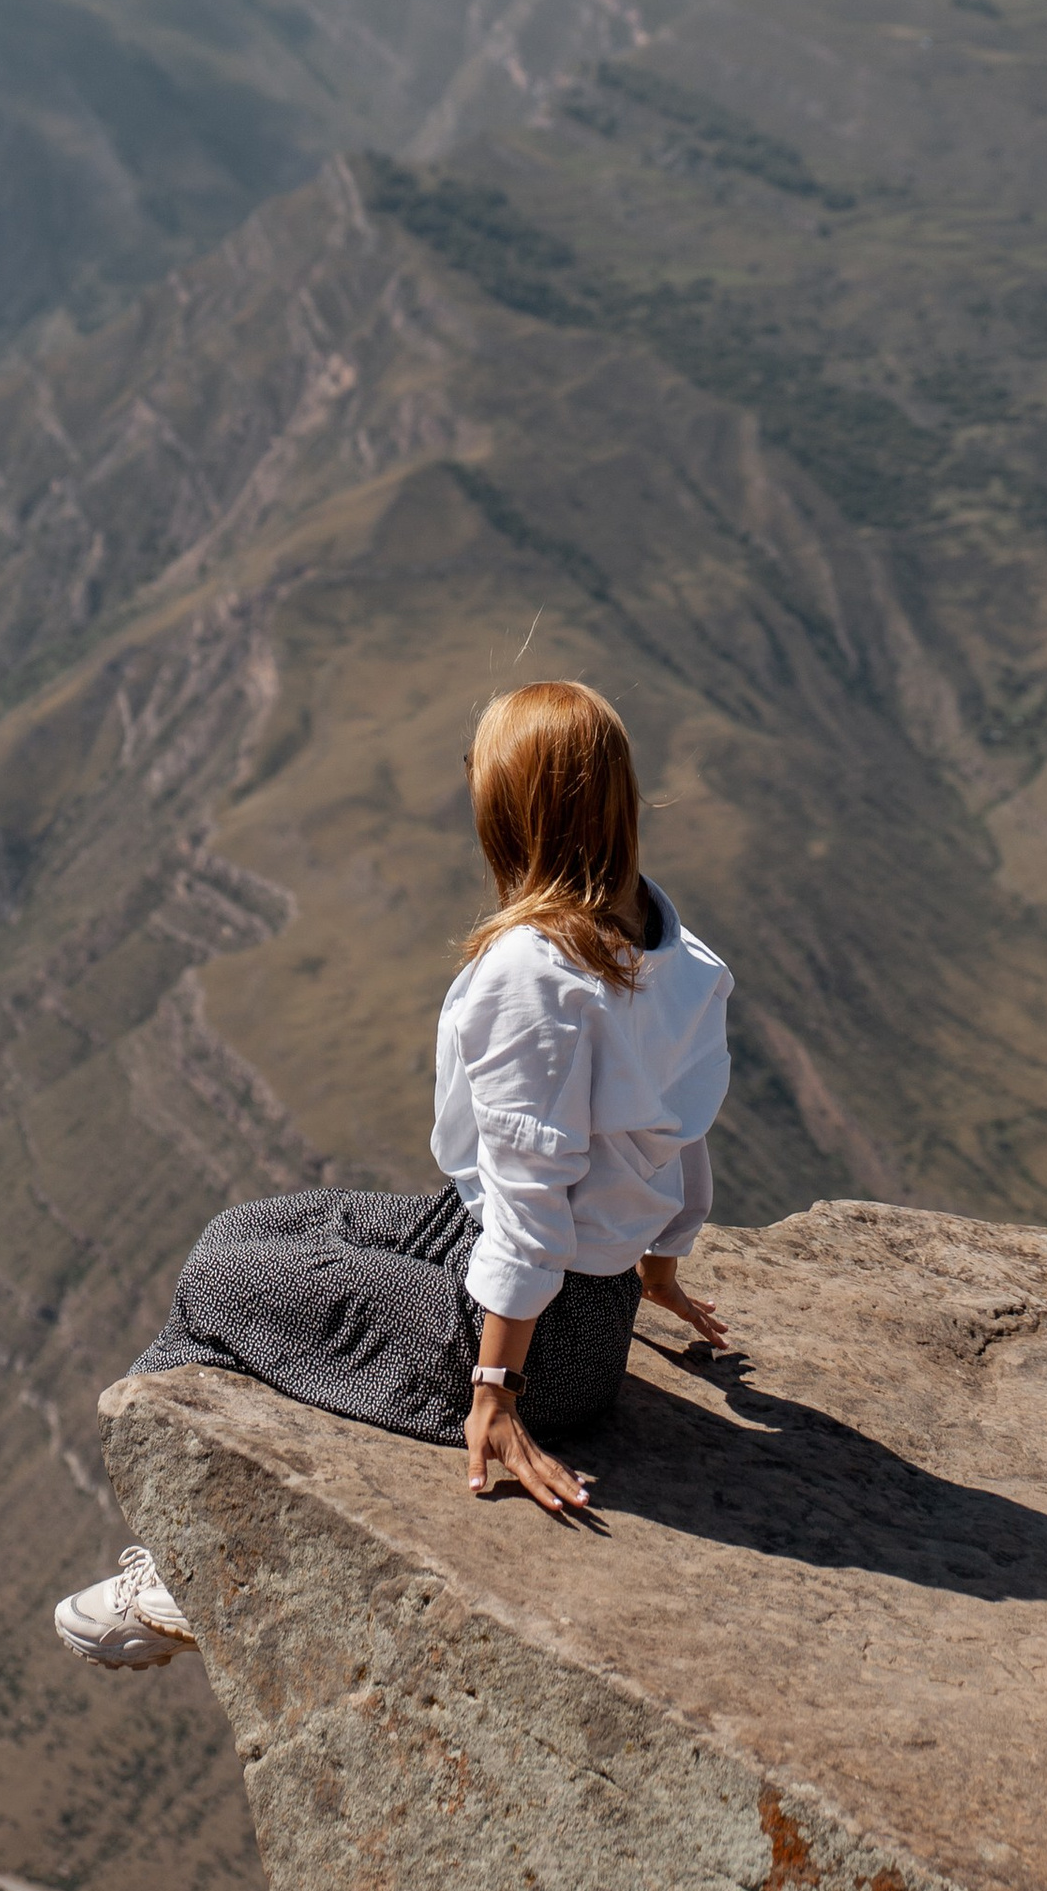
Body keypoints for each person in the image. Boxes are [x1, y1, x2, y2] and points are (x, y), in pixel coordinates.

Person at [55, 677, 735, 1668]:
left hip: (528, 1339)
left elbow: (533, 1214)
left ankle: (187, 1573)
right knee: (246, 1233)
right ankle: (180, 1534)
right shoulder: (676, 950)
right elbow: (685, 1128)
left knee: (212, 1286)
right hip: (556, 1293)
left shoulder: (531, 978)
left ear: (514, 815)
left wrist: (494, 1393)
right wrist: (659, 1265)